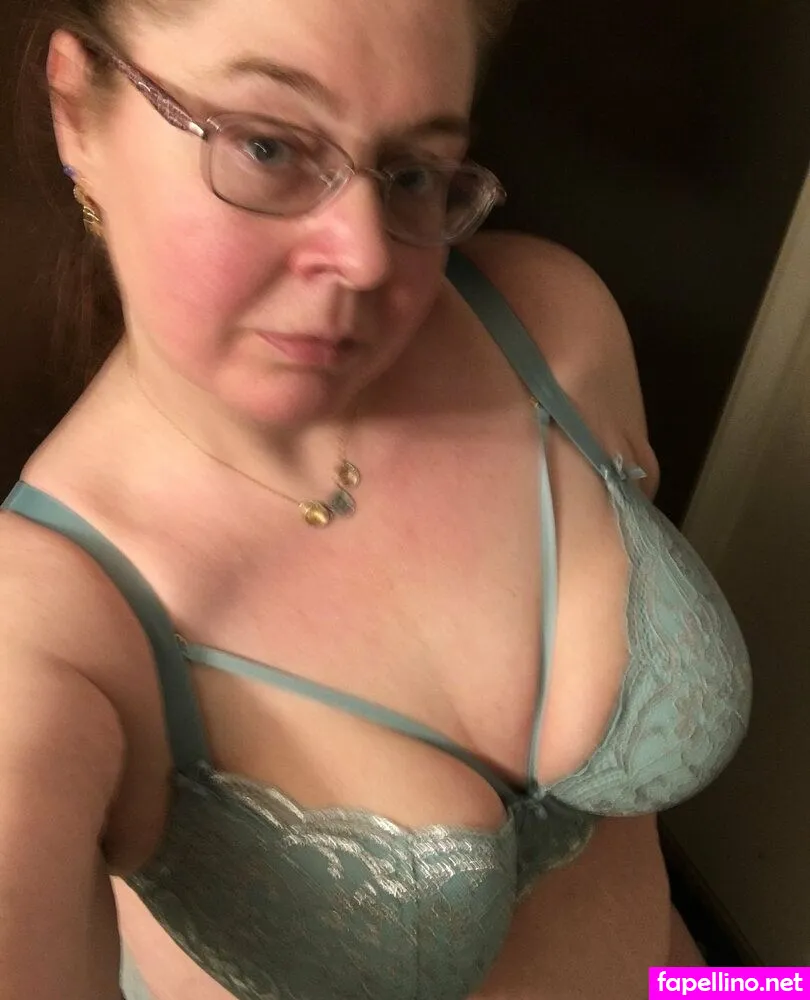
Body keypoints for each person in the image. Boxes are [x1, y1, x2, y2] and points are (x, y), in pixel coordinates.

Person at [0, 0, 752, 997]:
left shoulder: (549, 325)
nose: (364, 257)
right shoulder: (49, 626)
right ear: (75, 110)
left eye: (411, 173)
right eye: (267, 147)